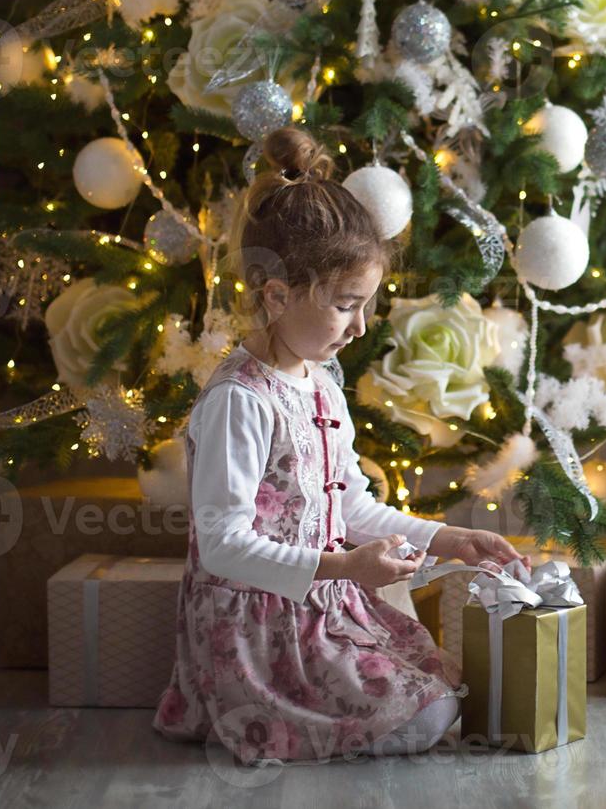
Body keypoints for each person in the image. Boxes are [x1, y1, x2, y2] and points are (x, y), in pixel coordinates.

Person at [152, 126, 529, 765]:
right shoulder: (239, 401)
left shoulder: (321, 380)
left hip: (327, 602)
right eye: (346, 306)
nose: (359, 328)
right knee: (429, 712)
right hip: (261, 629)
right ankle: (258, 715)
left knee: (442, 682)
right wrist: (346, 569)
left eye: (367, 306)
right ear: (277, 296)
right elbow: (221, 547)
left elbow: (348, 505)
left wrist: (445, 539)